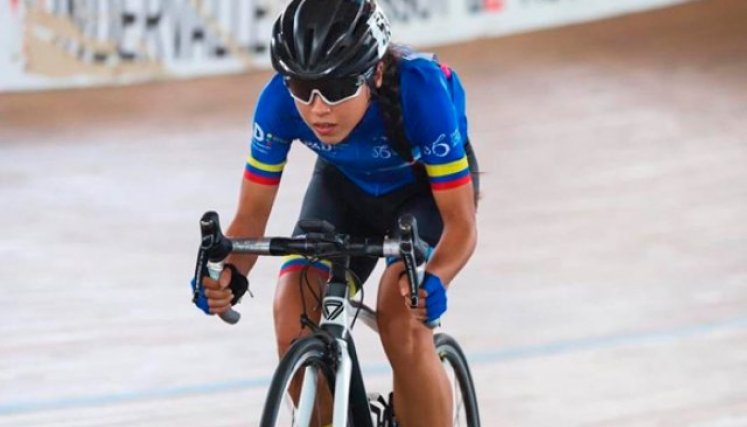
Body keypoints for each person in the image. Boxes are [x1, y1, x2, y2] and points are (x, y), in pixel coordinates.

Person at [196, 0, 479, 425]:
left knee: (400, 309)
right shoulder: (278, 103)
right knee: (292, 307)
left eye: (338, 87)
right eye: (301, 86)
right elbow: (251, 216)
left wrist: (437, 277)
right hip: (345, 190)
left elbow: (461, 224)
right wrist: (227, 275)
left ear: (376, 73)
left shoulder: (421, 92)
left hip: (423, 194)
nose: (317, 108)